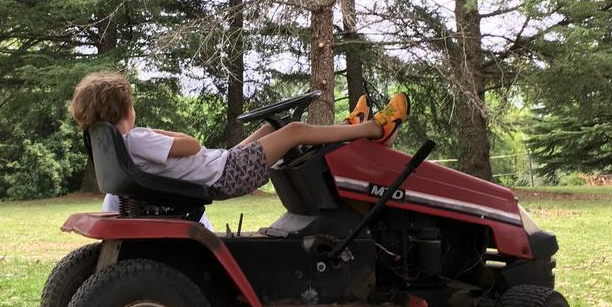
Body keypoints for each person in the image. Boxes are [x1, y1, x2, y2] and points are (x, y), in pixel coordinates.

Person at [69, 72, 410, 204]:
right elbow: (192, 145)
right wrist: (157, 130)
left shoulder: (121, 143)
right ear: (124, 111)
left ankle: (351, 130)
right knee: (293, 131)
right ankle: (373, 130)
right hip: (225, 174)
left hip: (222, 165)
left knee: (274, 128)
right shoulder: (138, 138)